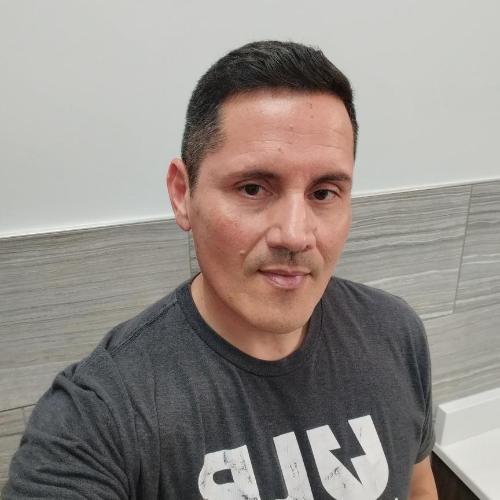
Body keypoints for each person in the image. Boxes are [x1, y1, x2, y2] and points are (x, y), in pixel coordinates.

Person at [4, 41, 437, 499]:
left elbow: (418, 488)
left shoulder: (395, 333)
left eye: (323, 193)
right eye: (252, 188)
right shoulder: (99, 416)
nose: (295, 235)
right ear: (182, 194)